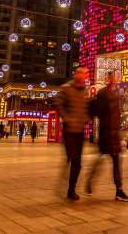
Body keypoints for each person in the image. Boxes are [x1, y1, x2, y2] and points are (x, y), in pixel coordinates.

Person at [85, 72, 128, 202]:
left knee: (116, 161)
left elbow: (117, 115)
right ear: (107, 78)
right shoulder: (102, 93)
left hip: (114, 134)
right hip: (106, 134)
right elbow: (97, 111)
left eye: (115, 78)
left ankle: (119, 190)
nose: (114, 79)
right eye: (111, 77)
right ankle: (90, 180)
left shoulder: (115, 94)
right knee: (100, 159)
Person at [56, 67, 89, 200]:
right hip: (69, 130)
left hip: (80, 131)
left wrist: (87, 117)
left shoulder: (86, 91)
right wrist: (67, 118)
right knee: (73, 158)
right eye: (81, 73)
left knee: (77, 162)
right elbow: (58, 104)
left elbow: (87, 107)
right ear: (75, 74)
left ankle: (71, 189)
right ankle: (69, 187)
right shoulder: (66, 88)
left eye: (85, 73)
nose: (84, 75)